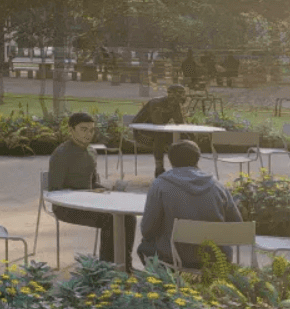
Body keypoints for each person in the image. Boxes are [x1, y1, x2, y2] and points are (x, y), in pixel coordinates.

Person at [137, 140, 240, 268]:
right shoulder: (217, 186)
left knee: (145, 245)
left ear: (170, 160)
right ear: (198, 158)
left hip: (174, 259)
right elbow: (236, 225)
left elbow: (147, 230)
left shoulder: (160, 185)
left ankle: (160, 283)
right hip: (215, 260)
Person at [45, 112, 131, 262]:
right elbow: (55, 192)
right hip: (66, 208)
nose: (88, 134)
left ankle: (125, 264)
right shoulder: (61, 154)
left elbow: (92, 182)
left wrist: (107, 189)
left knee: (127, 217)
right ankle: (107, 267)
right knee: (110, 219)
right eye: (83, 129)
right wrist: (88, 192)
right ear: (71, 130)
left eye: (91, 130)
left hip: (89, 202)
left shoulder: (91, 152)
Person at [130, 83, 189, 177]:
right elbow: (157, 122)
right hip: (140, 133)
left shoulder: (175, 106)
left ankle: (184, 166)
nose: (182, 97)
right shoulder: (156, 103)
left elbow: (180, 124)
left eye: (182, 94)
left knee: (186, 136)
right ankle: (159, 167)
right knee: (160, 136)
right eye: (179, 94)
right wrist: (171, 109)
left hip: (157, 133)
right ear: (171, 94)